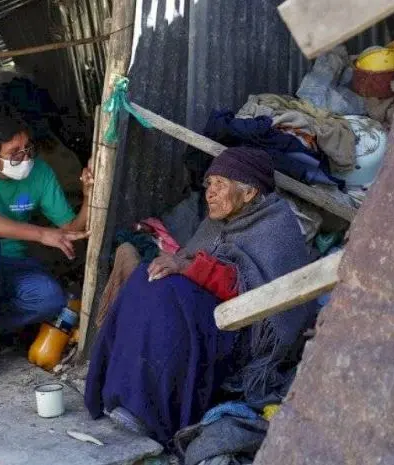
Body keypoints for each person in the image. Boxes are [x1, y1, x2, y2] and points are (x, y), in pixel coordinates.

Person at [85, 147, 319, 442]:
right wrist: (178, 267)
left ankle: (152, 413)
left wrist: (188, 267)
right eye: (209, 183)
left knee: (166, 300)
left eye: (220, 184)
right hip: (210, 313)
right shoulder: (215, 223)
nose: (210, 192)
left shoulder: (276, 226)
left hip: (244, 333)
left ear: (249, 193)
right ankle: (116, 391)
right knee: (147, 280)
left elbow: (251, 290)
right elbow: (191, 259)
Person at [0, 104, 94, 393]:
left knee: (51, 297)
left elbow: (69, 231)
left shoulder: (40, 173)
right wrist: (40, 234)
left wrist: (89, 199)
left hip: (13, 264)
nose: (25, 158)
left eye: (28, 149)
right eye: (15, 153)